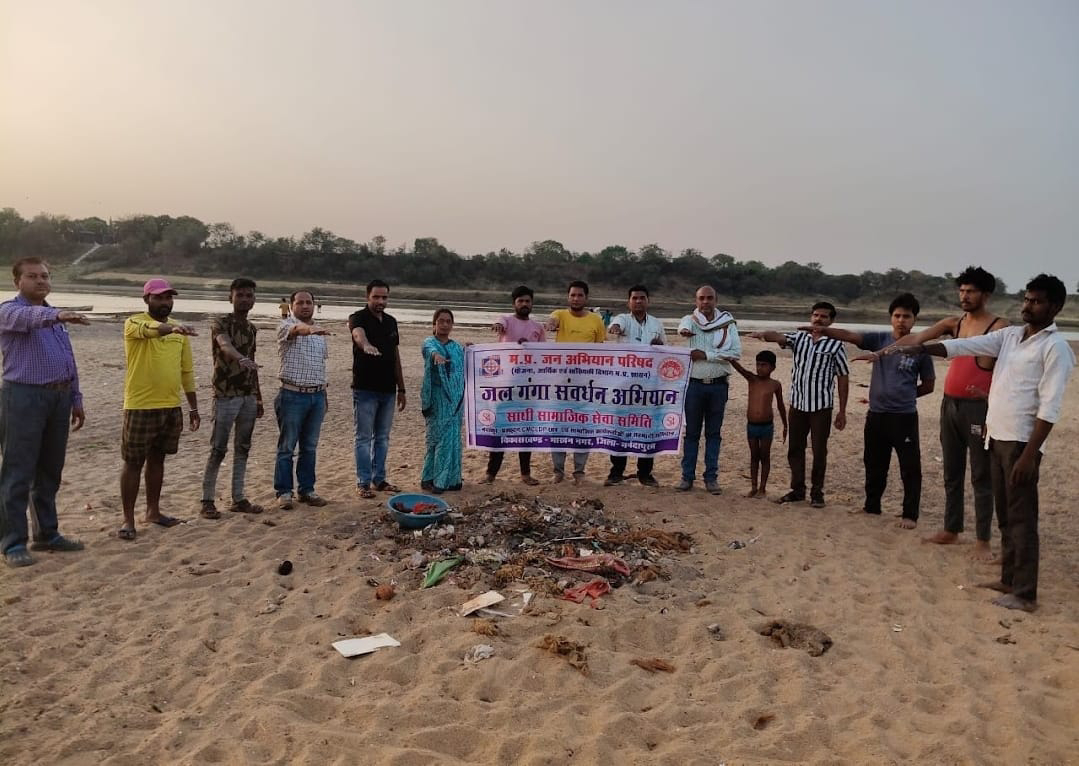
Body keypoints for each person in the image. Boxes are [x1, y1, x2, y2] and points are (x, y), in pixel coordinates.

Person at [890, 275, 1075, 612]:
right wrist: (920, 347)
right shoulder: (1011, 336)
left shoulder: (1055, 348)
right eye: (1027, 299)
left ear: (1055, 307)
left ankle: (1025, 594)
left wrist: (1029, 455)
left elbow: (1050, 408)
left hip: (1021, 443)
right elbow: (965, 346)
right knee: (1005, 514)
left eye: (1036, 301)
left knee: (1022, 518)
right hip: (997, 435)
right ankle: (1008, 579)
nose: (1028, 306)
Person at [892, 267, 1006, 559]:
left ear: (986, 295)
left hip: (979, 409)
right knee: (951, 472)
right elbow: (917, 340)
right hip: (950, 405)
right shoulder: (953, 323)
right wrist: (883, 352)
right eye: (962, 290)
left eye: (971, 291)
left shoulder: (999, 327)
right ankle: (951, 529)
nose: (964, 296)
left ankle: (983, 540)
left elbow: (1009, 371)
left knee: (981, 475)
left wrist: (995, 404)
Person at [807, 293, 935, 529]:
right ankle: (872, 506)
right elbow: (849, 336)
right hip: (876, 415)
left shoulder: (920, 349)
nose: (901, 320)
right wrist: (823, 330)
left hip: (904, 417)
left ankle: (910, 514)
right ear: (891, 318)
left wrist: (905, 395)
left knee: (909, 467)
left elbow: (929, 385)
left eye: (907, 316)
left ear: (915, 319)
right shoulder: (878, 339)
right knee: (874, 463)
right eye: (897, 315)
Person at [0, 257, 88, 566]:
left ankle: (47, 533)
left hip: (58, 398)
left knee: (49, 471)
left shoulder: (55, 317)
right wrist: (58, 314)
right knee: (17, 471)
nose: (40, 280)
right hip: (22, 397)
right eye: (33, 276)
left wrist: (76, 398)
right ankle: (12, 543)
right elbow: (30, 317)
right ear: (17, 282)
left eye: (45, 276)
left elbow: (68, 358)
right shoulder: (9, 311)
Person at [119, 278, 200, 539]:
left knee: (158, 459)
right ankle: (128, 520)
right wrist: (170, 329)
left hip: (171, 406)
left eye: (168, 298)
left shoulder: (179, 330)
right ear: (147, 299)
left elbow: (186, 370)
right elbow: (149, 330)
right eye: (159, 297)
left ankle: (153, 511)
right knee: (133, 463)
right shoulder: (133, 323)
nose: (165, 302)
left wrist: (193, 407)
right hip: (140, 406)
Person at [752, 301, 850, 508]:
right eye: (815, 315)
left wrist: (842, 410)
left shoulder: (836, 345)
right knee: (795, 449)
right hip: (797, 404)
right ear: (811, 317)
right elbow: (779, 337)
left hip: (821, 406)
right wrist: (763, 333)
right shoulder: (799, 339)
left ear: (831, 320)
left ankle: (817, 493)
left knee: (819, 450)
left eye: (823, 316)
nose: (818, 319)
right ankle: (797, 490)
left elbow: (842, 377)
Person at [200, 277, 264, 519]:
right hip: (225, 395)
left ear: (254, 299)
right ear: (231, 298)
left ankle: (238, 498)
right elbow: (224, 345)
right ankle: (207, 500)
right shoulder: (221, 323)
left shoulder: (251, 328)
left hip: (248, 396)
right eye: (240, 295)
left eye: (249, 295)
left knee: (243, 447)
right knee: (218, 449)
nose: (245, 299)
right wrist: (240, 358)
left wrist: (258, 397)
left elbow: (253, 363)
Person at [676, 285, 741, 494]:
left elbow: (735, 353)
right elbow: (682, 328)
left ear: (716, 300)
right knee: (691, 434)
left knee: (713, 434)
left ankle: (711, 478)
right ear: (696, 301)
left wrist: (706, 355)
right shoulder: (689, 321)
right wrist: (683, 332)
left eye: (709, 298)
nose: (705, 302)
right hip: (694, 386)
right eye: (701, 298)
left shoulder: (727, 324)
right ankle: (687, 477)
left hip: (718, 386)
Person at [481, 285, 546, 485]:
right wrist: (497, 325)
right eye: (520, 301)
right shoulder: (506, 321)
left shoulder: (538, 327)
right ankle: (491, 474)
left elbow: (544, 356)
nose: (524, 304)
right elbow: (499, 322)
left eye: (527, 301)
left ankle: (525, 474)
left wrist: (530, 349)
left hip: (528, 388)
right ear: (514, 304)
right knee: (500, 429)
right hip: (504, 386)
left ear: (532, 304)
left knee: (526, 430)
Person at [274, 290, 331, 509]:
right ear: (292, 305)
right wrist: (308, 329)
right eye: (300, 303)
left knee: (310, 447)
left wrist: (324, 395)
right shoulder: (285, 326)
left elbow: (320, 366)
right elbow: (297, 330)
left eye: (309, 302)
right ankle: (284, 492)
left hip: (317, 396)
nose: (305, 306)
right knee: (287, 447)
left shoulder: (320, 332)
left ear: (314, 305)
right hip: (292, 395)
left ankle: (307, 490)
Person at [349, 279, 406, 499]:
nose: (381, 301)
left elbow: (396, 356)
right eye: (376, 297)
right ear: (367, 297)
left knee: (382, 437)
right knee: (363, 437)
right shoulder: (358, 317)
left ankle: (379, 479)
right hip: (365, 389)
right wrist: (366, 345)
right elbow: (358, 335)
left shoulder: (391, 322)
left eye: (384, 297)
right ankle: (363, 482)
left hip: (388, 390)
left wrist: (401, 388)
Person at [546, 280, 606, 484]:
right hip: (560, 383)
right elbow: (552, 320)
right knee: (558, 426)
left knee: (583, 426)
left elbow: (601, 350)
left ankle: (579, 471)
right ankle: (558, 470)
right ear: (568, 297)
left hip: (586, 384)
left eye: (580, 295)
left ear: (586, 298)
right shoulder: (560, 315)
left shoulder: (596, 320)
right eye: (572, 295)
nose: (576, 299)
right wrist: (551, 324)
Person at [605, 284, 665, 487]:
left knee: (647, 429)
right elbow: (616, 325)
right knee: (620, 428)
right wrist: (614, 328)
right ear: (628, 302)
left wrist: (660, 347)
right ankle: (616, 472)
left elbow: (665, 351)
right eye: (634, 298)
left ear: (648, 301)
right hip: (623, 385)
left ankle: (645, 473)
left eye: (642, 298)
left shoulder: (657, 324)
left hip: (648, 386)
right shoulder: (622, 319)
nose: (638, 301)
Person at [728, 351, 788, 498]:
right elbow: (740, 369)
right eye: (758, 364)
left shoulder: (775, 385)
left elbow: (780, 405)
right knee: (754, 456)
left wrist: (785, 425)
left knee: (765, 456)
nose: (760, 368)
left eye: (764, 365)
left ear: (772, 367)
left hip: (767, 426)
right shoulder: (752, 379)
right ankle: (754, 487)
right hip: (752, 426)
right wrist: (730, 358)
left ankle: (762, 488)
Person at [420, 309, 466, 493]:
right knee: (437, 439)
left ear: (452, 325)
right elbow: (429, 351)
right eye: (441, 321)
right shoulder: (429, 342)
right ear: (434, 324)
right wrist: (435, 356)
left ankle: (452, 479)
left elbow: (461, 368)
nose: (445, 324)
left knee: (453, 438)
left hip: (455, 400)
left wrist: (469, 351)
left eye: (448, 321)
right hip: (437, 397)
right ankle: (435, 480)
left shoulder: (456, 347)